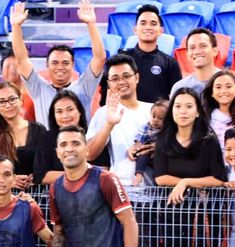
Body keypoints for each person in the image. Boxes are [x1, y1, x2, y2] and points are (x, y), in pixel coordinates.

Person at [154, 88, 227, 247]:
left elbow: (218, 178)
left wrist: (185, 182)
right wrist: (182, 183)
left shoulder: (207, 140)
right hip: (174, 218)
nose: (182, 112)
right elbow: (160, 177)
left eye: (188, 107)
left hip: (203, 218)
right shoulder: (164, 139)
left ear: (197, 111)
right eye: (178, 107)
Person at [11, 0, 105, 128]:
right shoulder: (39, 89)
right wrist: (16, 27)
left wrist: (91, 24)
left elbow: (99, 58)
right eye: (55, 62)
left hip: (81, 145)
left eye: (65, 63)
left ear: (73, 65)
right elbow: (22, 60)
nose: (60, 67)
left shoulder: (84, 87)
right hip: (47, 147)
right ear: (47, 65)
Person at [87, 54, 152, 185]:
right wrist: (109, 124)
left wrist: (155, 147)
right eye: (115, 78)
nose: (121, 82)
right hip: (122, 189)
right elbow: (88, 154)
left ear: (137, 78)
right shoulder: (103, 113)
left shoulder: (154, 110)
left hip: (156, 190)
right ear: (109, 84)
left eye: (126, 76)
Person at [100, 4, 182, 105]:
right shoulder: (121, 59)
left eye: (153, 23)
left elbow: (177, 98)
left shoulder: (170, 63)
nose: (148, 27)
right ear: (135, 29)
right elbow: (107, 91)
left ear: (161, 31)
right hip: (124, 116)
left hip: (156, 118)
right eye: (143, 23)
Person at [0, 81, 52, 188]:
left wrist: (36, 176)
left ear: (21, 100)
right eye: (2, 102)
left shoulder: (38, 130)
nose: (8, 105)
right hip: (2, 195)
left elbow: (47, 163)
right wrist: (8, 179)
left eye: (12, 99)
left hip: (36, 195)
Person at [170, 28, 235, 113]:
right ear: (188, 54)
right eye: (192, 48)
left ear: (215, 51)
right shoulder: (179, 87)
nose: (197, 51)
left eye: (203, 46)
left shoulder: (231, 83)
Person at [40, 90, 89, 184]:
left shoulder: (91, 135)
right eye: (59, 111)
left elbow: (103, 170)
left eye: (70, 109)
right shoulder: (46, 138)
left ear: (79, 112)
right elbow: (41, 176)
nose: (65, 116)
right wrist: (79, 176)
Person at [0, 49, 36, 122]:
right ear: (1, 71)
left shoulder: (33, 96)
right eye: (8, 66)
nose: (12, 70)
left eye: (15, 66)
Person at [132, 98, 168, 186]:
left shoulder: (169, 129)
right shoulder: (147, 127)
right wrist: (137, 147)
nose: (155, 120)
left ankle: (160, 182)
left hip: (161, 155)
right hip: (148, 153)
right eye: (154, 116)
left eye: (160, 118)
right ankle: (139, 175)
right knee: (142, 154)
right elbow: (140, 138)